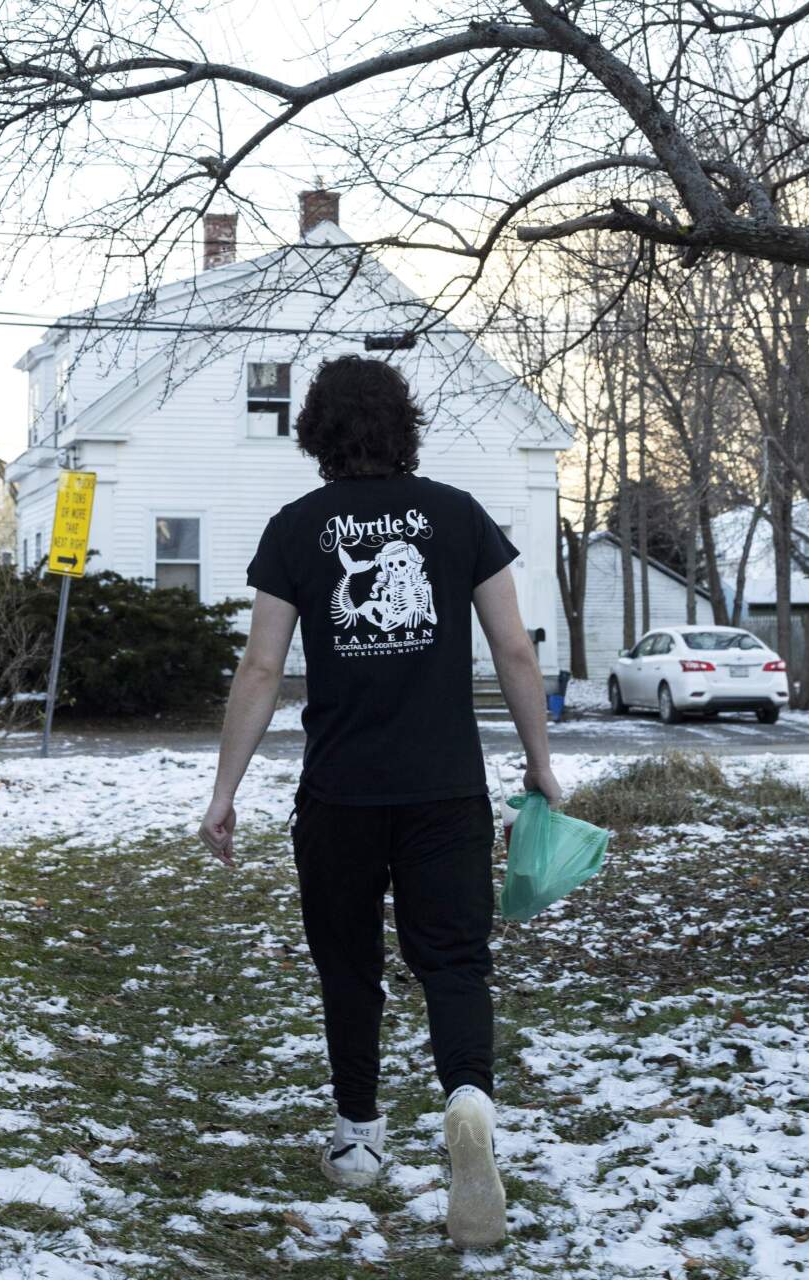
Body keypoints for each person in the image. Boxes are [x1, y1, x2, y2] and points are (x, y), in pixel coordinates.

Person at [197, 355, 561, 1250]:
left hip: (340, 795)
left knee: (350, 960)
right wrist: (542, 764)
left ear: (315, 433)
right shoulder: (458, 516)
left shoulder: (296, 529)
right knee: (455, 959)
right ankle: (468, 1100)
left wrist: (225, 789)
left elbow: (261, 667)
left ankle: (359, 1137)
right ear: (407, 428)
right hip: (445, 790)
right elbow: (514, 652)